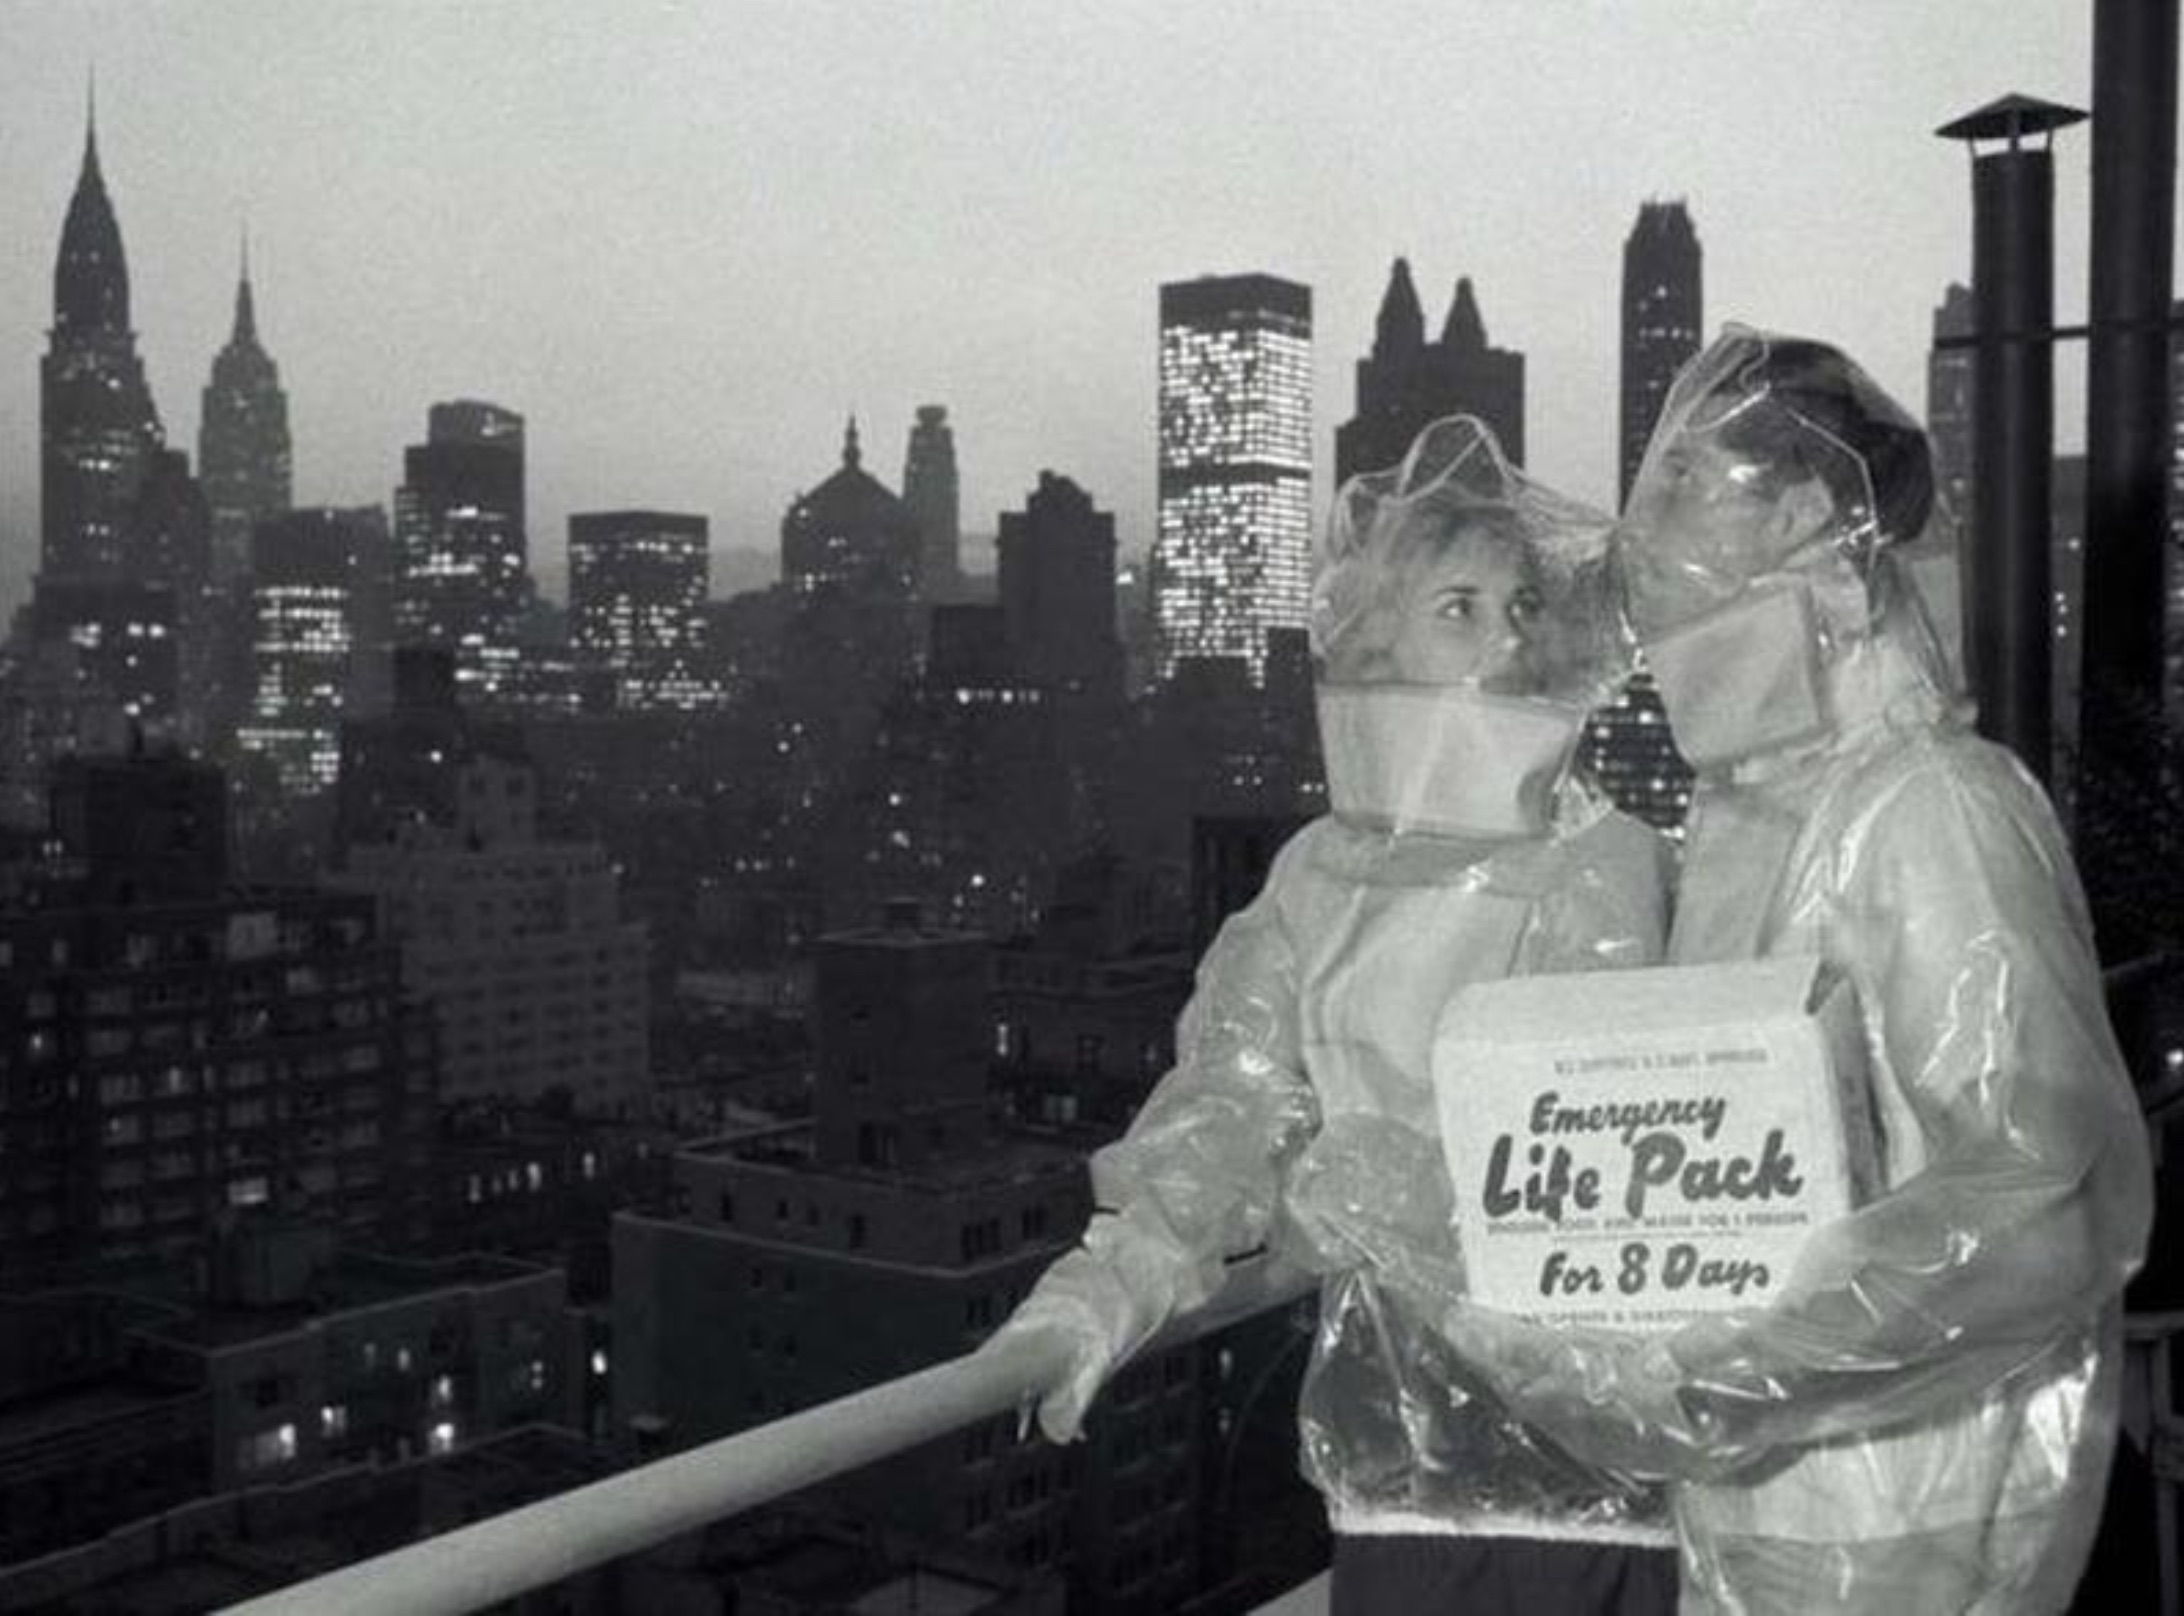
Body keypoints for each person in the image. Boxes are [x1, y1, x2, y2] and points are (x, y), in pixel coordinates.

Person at [1416, 327, 2154, 1614]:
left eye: (1684, 480)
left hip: (1907, 1521)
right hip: (1773, 1514)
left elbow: (2047, 1208)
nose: (1642, 535)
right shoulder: (1755, 819)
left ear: (1807, 512)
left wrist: (1736, 1365)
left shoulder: (1930, 806)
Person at [991, 415, 1681, 1613]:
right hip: (1391, 1467)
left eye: (1523, 606)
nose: (1508, 637)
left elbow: (1588, 1159)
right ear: (1372, 634)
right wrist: (1104, 1288)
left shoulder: (1599, 860)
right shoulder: (1318, 870)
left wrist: (1359, 1183)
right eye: (1459, 606)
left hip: (1578, 1458)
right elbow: (1228, 1100)